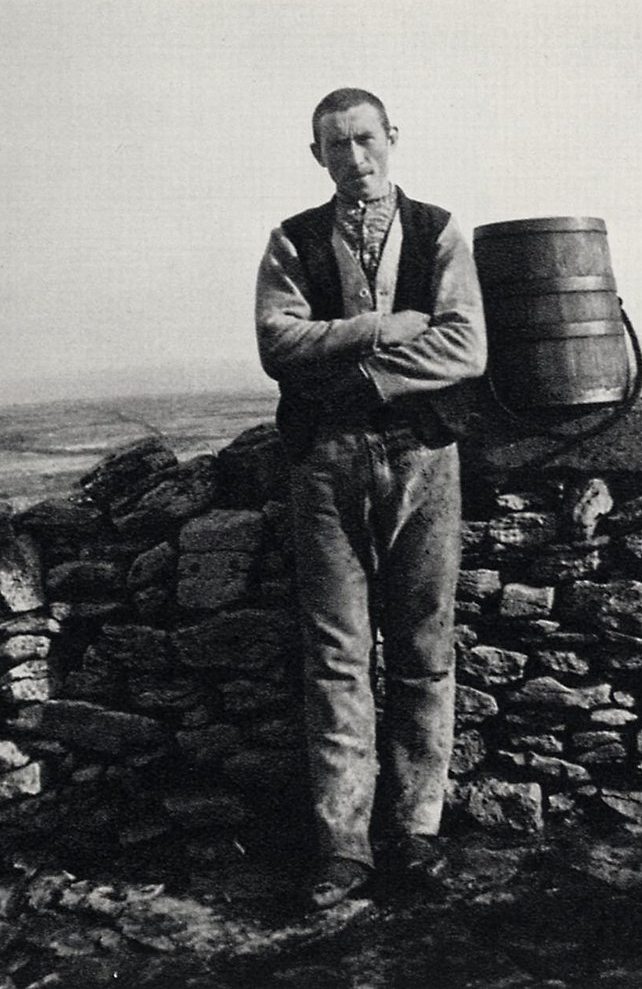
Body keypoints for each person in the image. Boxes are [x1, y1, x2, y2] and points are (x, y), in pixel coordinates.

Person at [255, 88, 487, 909]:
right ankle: (343, 846)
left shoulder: (439, 230)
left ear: (393, 137)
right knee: (335, 657)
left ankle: (416, 832)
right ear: (316, 155)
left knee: (425, 646)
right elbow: (278, 341)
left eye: (365, 139)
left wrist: (350, 380)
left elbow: (464, 346)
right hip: (324, 462)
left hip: (423, 456)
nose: (354, 159)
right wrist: (377, 332)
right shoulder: (293, 239)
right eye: (335, 145)